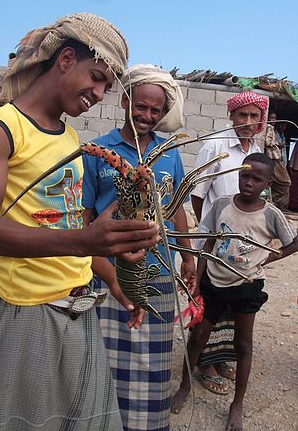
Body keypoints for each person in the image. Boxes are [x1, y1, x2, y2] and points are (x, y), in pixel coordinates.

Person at [0, 13, 159, 431]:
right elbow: (76, 237)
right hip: (27, 313)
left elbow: (74, 230)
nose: (100, 94)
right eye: (97, 77)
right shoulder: (6, 130)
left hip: (79, 305)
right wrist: (86, 240)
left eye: (107, 86)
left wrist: (116, 278)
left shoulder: (70, 140)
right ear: (66, 58)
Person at [82, 63, 197, 431]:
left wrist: (188, 257)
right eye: (141, 106)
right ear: (125, 101)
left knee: (151, 363)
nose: (147, 116)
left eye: (156, 110)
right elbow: (85, 217)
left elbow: (177, 206)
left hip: (157, 272)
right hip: (108, 273)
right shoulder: (97, 150)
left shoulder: (170, 153)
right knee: (103, 361)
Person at [171, 152, 298, 430]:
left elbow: (293, 242)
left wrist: (273, 256)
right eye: (245, 175)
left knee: (243, 344)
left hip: (246, 287)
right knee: (198, 337)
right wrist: (197, 282)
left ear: (266, 183)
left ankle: (237, 403)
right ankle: (184, 386)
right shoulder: (221, 205)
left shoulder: (271, 214)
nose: (249, 182)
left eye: (256, 178)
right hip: (213, 284)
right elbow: (206, 245)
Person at [190, 91, 266, 395]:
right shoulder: (216, 146)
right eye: (241, 116)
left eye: (253, 116)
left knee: (233, 308)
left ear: (261, 119)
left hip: (241, 251)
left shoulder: (255, 149)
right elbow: (197, 194)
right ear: (231, 116)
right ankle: (203, 364)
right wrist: (210, 233)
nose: (247, 122)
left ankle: (221, 359)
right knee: (210, 305)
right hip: (214, 247)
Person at [264, 110, 291, 209]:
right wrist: (276, 144)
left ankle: (278, 204)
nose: (273, 120)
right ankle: (280, 205)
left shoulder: (274, 129)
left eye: (274, 118)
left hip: (276, 158)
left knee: (275, 183)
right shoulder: (270, 128)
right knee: (285, 182)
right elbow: (267, 142)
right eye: (271, 118)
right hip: (274, 158)